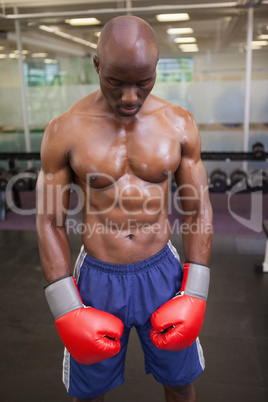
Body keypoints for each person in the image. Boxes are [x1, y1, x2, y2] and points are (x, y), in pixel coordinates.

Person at [36, 15, 213, 402]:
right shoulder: (65, 130)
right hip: (98, 277)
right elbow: (49, 220)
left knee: (181, 383)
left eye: (143, 82)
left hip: (162, 273)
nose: (130, 97)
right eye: (116, 82)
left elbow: (198, 210)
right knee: (90, 391)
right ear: (97, 65)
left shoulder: (179, 124)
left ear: (155, 69)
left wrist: (195, 292)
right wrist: (66, 307)